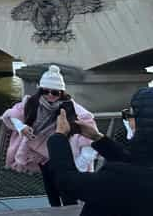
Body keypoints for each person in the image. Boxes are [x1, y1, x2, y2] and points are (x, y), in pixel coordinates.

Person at [46, 87, 153, 215]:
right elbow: (136, 162)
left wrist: (59, 137)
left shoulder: (118, 179)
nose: (127, 120)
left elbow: (67, 181)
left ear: (143, 124)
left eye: (130, 114)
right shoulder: (141, 169)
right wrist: (98, 138)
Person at [2, 65, 98, 207]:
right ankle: (55, 210)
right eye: (45, 91)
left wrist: (82, 161)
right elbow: (13, 114)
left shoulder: (70, 107)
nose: (50, 96)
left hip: (62, 155)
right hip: (42, 156)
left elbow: (88, 126)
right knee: (50, 187)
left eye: (54, 92)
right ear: (40, 90)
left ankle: (70, 210)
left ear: (61, 92)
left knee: (65, 189)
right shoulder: (32, 103)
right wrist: (21, 127)